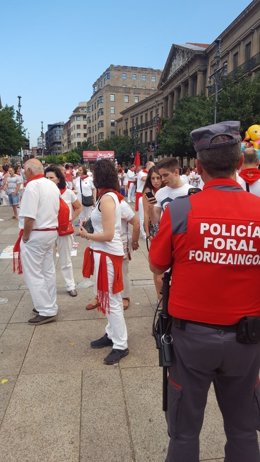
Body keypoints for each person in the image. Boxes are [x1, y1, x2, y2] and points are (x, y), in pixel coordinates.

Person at [149, 121, 260, 462]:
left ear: (197, 168)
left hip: (190, 340)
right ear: (240, 164)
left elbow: (156, 265)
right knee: (242, 431)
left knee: (184, 433)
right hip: (247, 339)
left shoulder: (180, 210)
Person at [78, 159, 129, 365]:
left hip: (107, 253)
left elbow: (108, 234)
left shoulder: (107, 199)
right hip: (104, 253)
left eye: (94, 174)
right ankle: (111, 334)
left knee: (113, 300)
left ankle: (121, 345)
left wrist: (85, 235)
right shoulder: (107, 196)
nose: (91, 178)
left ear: (100, 177)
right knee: (106, 297)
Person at [17, 159, 60, 325]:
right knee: (47, 270)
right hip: (50, 232)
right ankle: (49, 304)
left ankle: (46, 309)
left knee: (34, 273)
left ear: (29, 170)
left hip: (36, 233)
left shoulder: (32, 186)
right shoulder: (51, 185)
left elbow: (29, 217)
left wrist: (26, 236)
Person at [45, 165, 81, 297]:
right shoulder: (43, 193)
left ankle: (70, 285)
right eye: (46, 177)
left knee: (66, 260)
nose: (48, 180)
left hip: (64, 231)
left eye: (51, 178)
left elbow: (78, 207)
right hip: (48, 231)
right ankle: (49, 287)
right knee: (49, 260)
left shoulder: (68, 193)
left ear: (58, 179)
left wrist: (70, 219)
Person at [148, 157, 193, 226]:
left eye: (165, 175)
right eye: (161, 176)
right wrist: (150, 208)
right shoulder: (160, 193)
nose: (162, 179)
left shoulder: (191, 191)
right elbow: (155, 221)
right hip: (166, 234)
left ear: (176, 172)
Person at [142, 166, 163, 301]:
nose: (155, 181)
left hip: (167, 227)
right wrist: (148, 232)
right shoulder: (149, 192)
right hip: (155, 229)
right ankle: (159, 297)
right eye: (153, 178)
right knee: (157, 266)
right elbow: (146, 213)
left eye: (158, 178)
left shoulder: (166, 190)